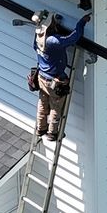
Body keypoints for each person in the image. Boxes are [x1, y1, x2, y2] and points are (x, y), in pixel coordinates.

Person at [32, 10, 87, 141]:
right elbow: (73, 38)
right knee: (56, 106)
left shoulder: (38, 38)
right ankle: (52, 133)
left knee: (43, 103)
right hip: (54, 80)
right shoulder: (52, 40)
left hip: (41, 77)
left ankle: (41, 128)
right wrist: (82, 22)